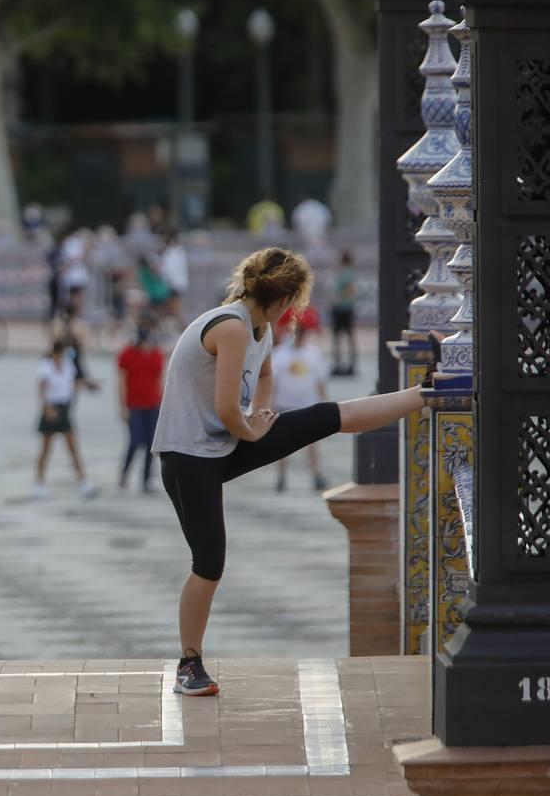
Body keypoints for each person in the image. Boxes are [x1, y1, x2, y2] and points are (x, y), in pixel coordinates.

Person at [152, 247, 437, 697]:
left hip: (226, 442)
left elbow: (262, 380)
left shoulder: (260, 330)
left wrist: (262, 415)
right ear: (288, 298)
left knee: (324, 416)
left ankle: (427, 392)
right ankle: (189, 665)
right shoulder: (230, 327)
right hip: (188, 456)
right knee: (209, 562)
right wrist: (252, 428)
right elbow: (228, 409)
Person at [33, 339, 99, 499]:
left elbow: (72, 384)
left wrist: (89, 384)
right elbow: (41, 389)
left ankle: (83, 482)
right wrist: (46, 408)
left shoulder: (68, 365)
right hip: (51, 408)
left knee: (72, 447)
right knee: (46, 449)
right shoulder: (46, 366)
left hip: (64, 409)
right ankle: (39, 483)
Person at [270, 316, 329, 492]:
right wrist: (271, 404)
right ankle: (281, 476)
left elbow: (320, 381)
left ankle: (317, 474)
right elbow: (273, 381)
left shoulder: (313, 353)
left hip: (308, 405)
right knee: (281, 445)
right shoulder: (280, 353)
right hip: (284, 405)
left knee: (312, 445)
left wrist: (324, 403)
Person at [117, 323, 165, 493]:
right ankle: (124, 474)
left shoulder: (156, 355)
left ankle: (146, 479)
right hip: (134, 405)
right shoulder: (127, 354)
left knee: (150, 443)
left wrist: (163, 404)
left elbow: (161, 380)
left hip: (152, 405)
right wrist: (122, 406)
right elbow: (121, 382)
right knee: (135, 441)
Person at [330, 250, 358, 376]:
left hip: (343, 308)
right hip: (344, 309)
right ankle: (348, 363)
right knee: (346, 338)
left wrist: (337, 297)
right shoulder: (346, 273)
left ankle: (342, 363)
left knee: (340, 338)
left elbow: (350, 290)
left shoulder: (346, 273)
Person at [160, 230, 190, 324]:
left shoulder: (176, 251)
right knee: (169, 307)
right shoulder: (172, 251)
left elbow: (171, 269)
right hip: (171, 283)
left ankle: (181, 326)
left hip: (174, 283)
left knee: (175, 307)